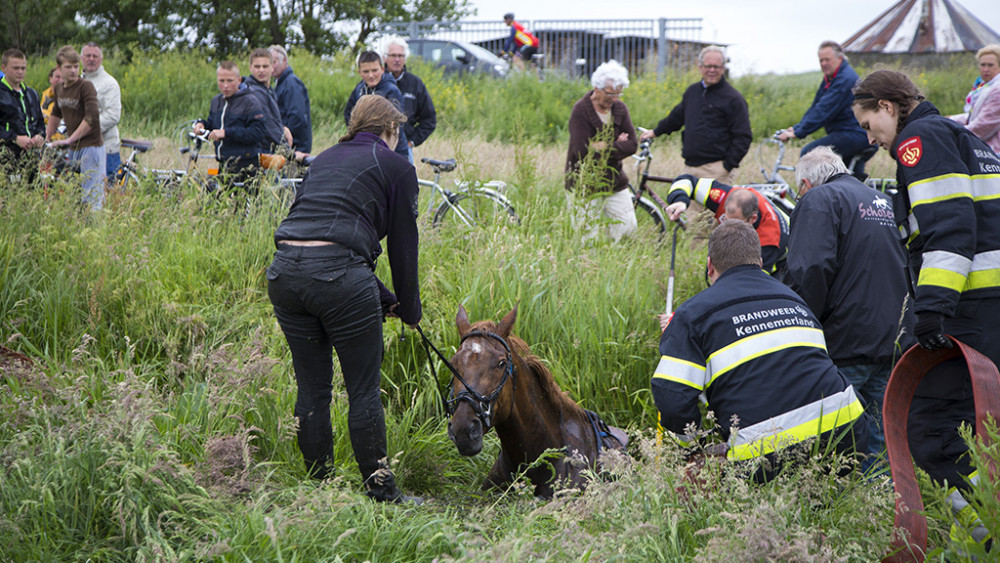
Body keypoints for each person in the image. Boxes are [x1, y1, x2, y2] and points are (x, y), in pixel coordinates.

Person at [266, 95, 422, 504]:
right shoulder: (398, 167)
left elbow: (323, 231)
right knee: (364, 391)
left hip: (285, 273)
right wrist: (409, 310)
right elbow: (404, 249)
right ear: (391, 129)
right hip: (338, 277)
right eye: (398, 131)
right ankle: (383, 493)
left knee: (312, 390)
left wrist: (383, 296)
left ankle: (321, 489)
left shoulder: (324, 158)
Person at [852, 70, 1000, 495]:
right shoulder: (962, 136)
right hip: (988, 307)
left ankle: (982, 536)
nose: (870, 140)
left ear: (887, 106)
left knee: (932, 430)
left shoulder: (920, 142)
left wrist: (932, 308)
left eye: (869, 125)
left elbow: (949, 230)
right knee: (978, 425)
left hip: (967, 308)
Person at [652, 220, 868, 482]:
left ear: (710, 266)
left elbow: (672, 398)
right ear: (761, 262)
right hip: (845, 432)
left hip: (765, 452)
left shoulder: (692, 314)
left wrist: (692, 447)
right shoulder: (793, 299)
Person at [784, 145, 915, 471]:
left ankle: (836, 511)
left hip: (844, 344)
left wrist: (800, 328)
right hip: (893, 343)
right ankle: (882, 512)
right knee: (882, 440)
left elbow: (809, 270)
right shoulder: (882, 201)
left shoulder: (818, 201)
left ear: (805, 185)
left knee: (831, 444)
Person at [638, 46, 751, 185]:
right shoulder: (692, 92)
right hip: (689, 168)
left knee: (710, 208)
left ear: (723, 68)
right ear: (700, 67)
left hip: (716, 171)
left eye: (716, 66)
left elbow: (743, 136)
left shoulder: (733, 98)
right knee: (686, 207)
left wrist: (727, 166)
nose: (712, 70)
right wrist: (655, 132)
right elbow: (676, 118)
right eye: (708, 66)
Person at [564, 60, 639, 242]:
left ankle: (616, 262)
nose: (614, 99)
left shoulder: (619, 109)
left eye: (618, 94)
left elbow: (632, 144)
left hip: (614, 181)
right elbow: (580, 151)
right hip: (583, 184)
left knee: (628, 228)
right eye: (611, 94)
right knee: (587, 237)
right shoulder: (580, 111)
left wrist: (605, 145)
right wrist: (617, 144)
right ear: (597, 88)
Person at [778, 41, 872, 177]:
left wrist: (799, 132)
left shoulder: (844, 79)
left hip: (855, 134)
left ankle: (817, 195)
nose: (823, 64)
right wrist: (798, 127)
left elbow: (824, 110)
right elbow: (817, 105)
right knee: (848, 177)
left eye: (827, 59)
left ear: (839, 58)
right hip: (852, 134)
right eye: (821, 60)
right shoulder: (832, 77)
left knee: (809, 154)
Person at [663, 175, 789, 275]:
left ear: (753, 219)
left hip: (783, 263)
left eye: (737, 224)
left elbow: (755, 283)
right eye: (726, 220)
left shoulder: (770, 240)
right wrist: (680, 201)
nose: (729, 229)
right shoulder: (723, 196)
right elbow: (687, 180)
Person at [45, 45, 105, 211]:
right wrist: (47, 138)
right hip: (73, 147)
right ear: (59, 68)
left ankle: (95, 229)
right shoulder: (58, 88)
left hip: (91, 146)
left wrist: (69, 139)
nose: (73, 71)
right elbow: (55, 114)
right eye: (68, 67)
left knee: (91, 195)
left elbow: (91, 117)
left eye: (76, 66)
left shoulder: (85, 86)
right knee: (74, 192)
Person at [192, 61, 268, 181]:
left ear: (238, 80)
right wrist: (201, 125)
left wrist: (227, 133)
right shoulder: (216, 101)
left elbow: (258, 133)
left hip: (247, 164)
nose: (225, 85)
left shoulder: (251, 102)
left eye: (230, 81)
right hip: (224, 163)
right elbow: (213, 125)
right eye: (221, 81)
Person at [343, 51, 409, 161]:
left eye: (374, 70)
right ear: (359, 72)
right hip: (366, 149)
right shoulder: (359, 90)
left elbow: (397, 126)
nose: (371, 75)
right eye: (366, 71)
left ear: (382, 69)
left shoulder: (391, 90)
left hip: (393, 151)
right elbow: (348, 114)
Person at [382, 37, 436, 161]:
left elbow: (429, 119)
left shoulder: (415, 83)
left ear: (405, 58)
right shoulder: (376, 81)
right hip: (378, 148)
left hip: (404, 150)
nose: (397, 59)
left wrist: (412, 141)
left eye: (400, 56)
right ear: (385, 58)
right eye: (393, 55)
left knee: (405, 180)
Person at [80, 42, 122, 180]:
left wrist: (84, 130)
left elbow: (112, 116)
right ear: (81, 58)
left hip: (105, 149)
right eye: (88, 55)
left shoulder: (109, 83)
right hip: (80, 149)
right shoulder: (76, 82)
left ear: (101, 59)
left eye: (95, 56)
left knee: (107, 194)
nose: (91, 59)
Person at [949, 44, 1000, 154]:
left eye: (990, 65)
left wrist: (953, 134)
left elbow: (983, 125)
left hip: (994, 151)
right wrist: (950, 119)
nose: (986, 69)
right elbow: (976, 115)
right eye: (983, 65)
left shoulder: (997, 90)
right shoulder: (982, 87)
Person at [0, 49, 45, 168]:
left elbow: (40, 121)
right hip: (6, 159)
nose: (20, 72)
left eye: (23, 68)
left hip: (32, 159)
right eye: (15, 68)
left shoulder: (32, 94)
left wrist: (40, 135)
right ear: (3, 68)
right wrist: (15, 138)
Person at [243, 48, 293, 152]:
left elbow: (274, 121)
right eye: (257, 66)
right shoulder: (254, 92)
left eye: (265, 66)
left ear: (272, 68)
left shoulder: (267, 90)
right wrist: (290, 154)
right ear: (250, 68)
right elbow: (269, 127)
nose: (261, 70)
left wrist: (283, 128)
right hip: (261, 154)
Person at [268, 45, 312, 154]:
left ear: (284, 60)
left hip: (295, 148)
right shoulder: (279, 84)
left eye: (274, 62)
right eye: (269, 63)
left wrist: (283, 140)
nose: (271, 66)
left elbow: (297, 117)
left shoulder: (291, 84)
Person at [40, 67, 62, 135]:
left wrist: (43, 114)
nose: (61, 80)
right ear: (50, 78)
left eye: (64, 77)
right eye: (58, 77)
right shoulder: (45, 94)